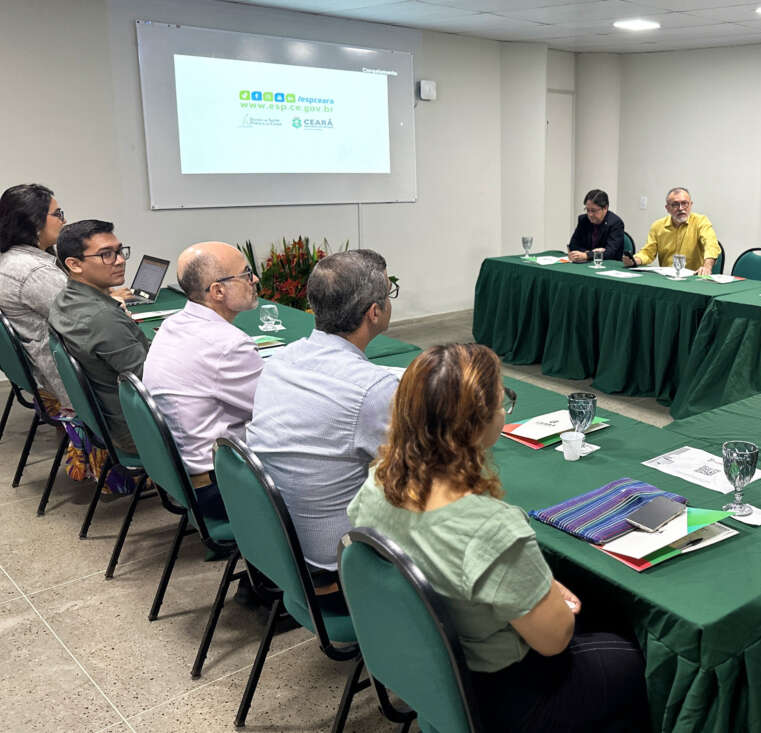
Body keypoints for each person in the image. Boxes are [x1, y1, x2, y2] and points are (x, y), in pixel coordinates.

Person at [347, 343, 650, 732]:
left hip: (423, 672)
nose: (504, 409)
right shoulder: (493, 529)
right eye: (501, 399)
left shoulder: (375, 485)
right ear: (478, 423)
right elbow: (554, 640)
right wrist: (547, 591)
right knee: (632, 658)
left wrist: (535, 583)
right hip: (502, 695)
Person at [247, 249, 399, 606]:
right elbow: (416, 475)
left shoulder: (281, 359)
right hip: (340, 566)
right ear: (374, 312)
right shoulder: (374, 390)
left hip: (279, 550)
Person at [143, 242, 264, 520]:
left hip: (183, 478)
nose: (254, 280)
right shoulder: (228, 346)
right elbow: (276, 414)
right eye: (246, 274)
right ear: (218, 291)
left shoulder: (174, 324)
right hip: (223, 489)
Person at [48, 220, 148, 455]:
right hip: (138, 430)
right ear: (74, 264)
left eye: (119, 251)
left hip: (108, 419)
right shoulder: (102, 319)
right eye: (106, 255)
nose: (120, 260)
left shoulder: (66, 299)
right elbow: (151, 381)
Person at [0, 183, 71, 407]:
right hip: (65, 380)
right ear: (33, 220)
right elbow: (83, 321)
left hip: (38, 373)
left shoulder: (8, 259)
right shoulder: (35, 272)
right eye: (58, 214)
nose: (64, 220)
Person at [622, 187, 720, 276]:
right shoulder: (658, 226)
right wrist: (635, 260)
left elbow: (711, 244)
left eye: (684, 203)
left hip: (693, 277)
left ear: (691, 205)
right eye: (675, 204)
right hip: (667, 279)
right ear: (667, 208)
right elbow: (648, 252)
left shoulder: (701, 221)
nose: (681, 208)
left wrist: (707, 267)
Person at [566, 189, 626, 262]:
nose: (590, 214)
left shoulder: (616, 223)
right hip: (586, 262)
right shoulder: (583, 220)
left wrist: (587, 255)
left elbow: (610, 253)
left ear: (605, 208)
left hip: (608, 264)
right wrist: (590, 253)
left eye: (593, 210)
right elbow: (573, 245)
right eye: (587, 210)